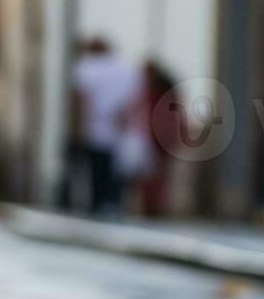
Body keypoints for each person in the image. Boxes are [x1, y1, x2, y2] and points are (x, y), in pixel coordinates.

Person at [64, 38, 141, 216]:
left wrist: (76, 130)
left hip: (93, 129)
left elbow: (81, 100)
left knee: (95, 171)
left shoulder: (87, 68)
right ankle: (112, 203)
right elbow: (134, 101)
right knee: (114, 171)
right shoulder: (126, 71)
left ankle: (94, 205)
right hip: (118, 129)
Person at [134, 62, 185, 216]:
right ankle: (152, 206)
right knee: (153, 176)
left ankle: (154, 206)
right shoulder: (164, 94)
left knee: (155, 177)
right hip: (156, 138)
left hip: (157, 139)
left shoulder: (160, 95)